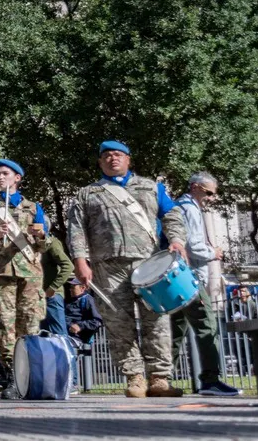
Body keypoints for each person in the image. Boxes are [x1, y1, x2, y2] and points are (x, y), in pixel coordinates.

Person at [68, 140, 187, 398]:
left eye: (118, 155)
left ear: (128, 159)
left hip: (149, 263)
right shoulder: (87, 193)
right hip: (107, 266)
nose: (113, 159)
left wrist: (177, 240)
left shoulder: (151, 187)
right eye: (107, 156)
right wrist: (80, 261)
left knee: (156, 320)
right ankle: (134, 377)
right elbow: (76, 229)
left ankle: (159, 378)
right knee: (117, 323)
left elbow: (172, 215)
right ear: (100, 162)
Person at [0, 159, 47, 400]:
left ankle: (32, 377)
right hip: (1, 274)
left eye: (5, 173)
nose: (0, 177)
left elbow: (45, 244)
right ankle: (13, 378)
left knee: (30, 325)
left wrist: (41, 235)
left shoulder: (33, 208)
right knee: (5, 326)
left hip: (30, 275)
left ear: (17, 178)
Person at [170, 172, 241, 396]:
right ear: (195, 187)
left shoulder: (178, 206)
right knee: (207, 326)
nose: (211, 198)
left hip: (175, 277)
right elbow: (193, 246)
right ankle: (210, 380)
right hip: (190, 277)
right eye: (209, 193)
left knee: (175, 330)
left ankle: (160, 379)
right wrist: (214, 253)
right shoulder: (190, 209)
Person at [40, 233, 74, 336]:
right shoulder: (30, 244)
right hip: (37, 297)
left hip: (51, 297)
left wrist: (53, 287)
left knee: (59, 336)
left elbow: (68, 266)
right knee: (41, 336)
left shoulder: (51, 243)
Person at [64, 278, 103, 344]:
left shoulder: (88, 300)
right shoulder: (70, 301)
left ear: (82, 288)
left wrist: (79, 326)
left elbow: (97, 321)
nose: (70, 289)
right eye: (70, 287)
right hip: (65, 334)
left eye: (73, 287)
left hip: (77, 339)